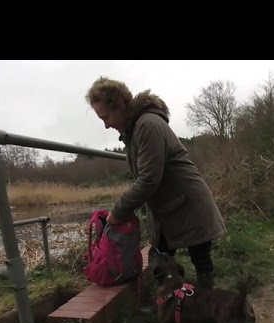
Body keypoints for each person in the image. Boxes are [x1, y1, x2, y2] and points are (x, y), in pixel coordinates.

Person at [84, 76, 226, 289]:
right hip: (171, 205)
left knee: (200, 259)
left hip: (189, 202)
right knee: (160, 257)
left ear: (120, 105)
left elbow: (149, 179)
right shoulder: (135, 130)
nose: (106, 125)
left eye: (106, 117)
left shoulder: (147, 125)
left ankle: (206, 307)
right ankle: (173, 303)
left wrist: (118, 211)